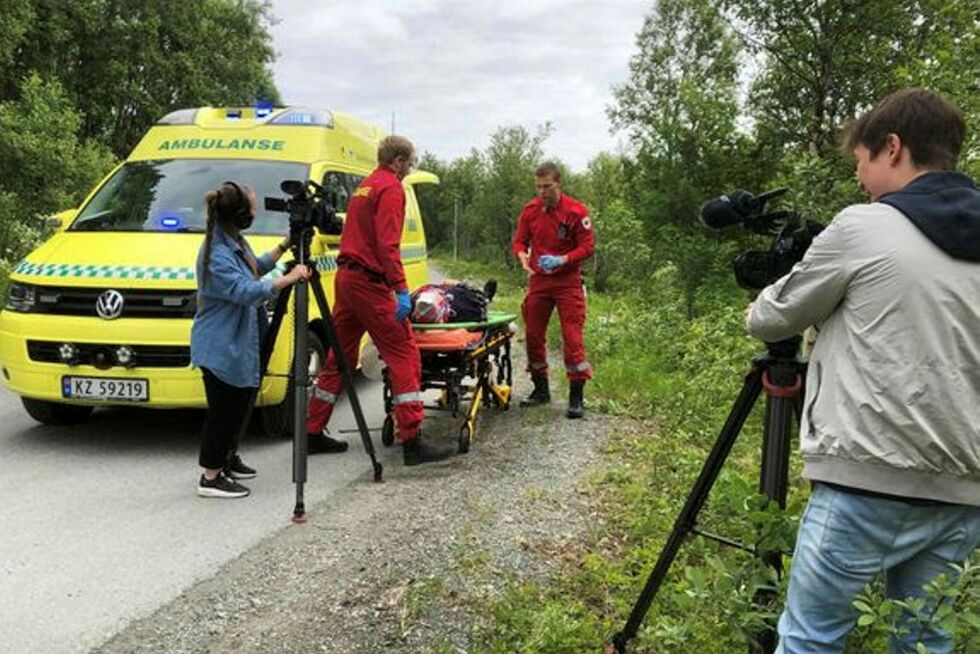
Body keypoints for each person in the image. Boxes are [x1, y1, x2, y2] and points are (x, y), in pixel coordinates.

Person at [746, 89, 980, 653]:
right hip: (965, 486)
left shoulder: (865, 226)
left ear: (893, 148)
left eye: (862, 162)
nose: (860, 179)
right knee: (923, 644)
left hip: (867, 479)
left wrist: (764, 303)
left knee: (810, 641)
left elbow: (772, 315)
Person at [306, 135, 454, 466]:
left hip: (347, 280)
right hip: (369, 283)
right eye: (410, 162)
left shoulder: (365, 186)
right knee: (404, 352)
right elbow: (388, 244)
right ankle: (412, 439)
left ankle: (312, 430)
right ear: (398, 160)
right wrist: (400, 288)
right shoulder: (390, 189)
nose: (409, 168)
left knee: (340, 357)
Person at [191, 181, 312, 498]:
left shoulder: (232, 240)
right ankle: (210, 476)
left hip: (235, 343)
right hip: (220, 345)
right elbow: (246, 290)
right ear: (240, 215)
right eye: (253, 208)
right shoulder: (216, 253)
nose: (256, 213)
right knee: (224, 410)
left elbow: (255, 267)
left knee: (240, 402)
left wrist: (286, 245)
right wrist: (290, 278)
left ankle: (226, 459)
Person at [512, 162, 595, 418]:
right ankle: (541, 389)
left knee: (572, 338)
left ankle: (576, 397)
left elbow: (588, 247)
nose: (542, 192)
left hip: (567, 281)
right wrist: (522, 256)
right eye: (538, 187)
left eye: (547, 186)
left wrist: (565, 259)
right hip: (539, 281)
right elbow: (519, 240)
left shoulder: (576, 211)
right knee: (534, 334)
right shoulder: (531, 210)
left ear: (558, 183)